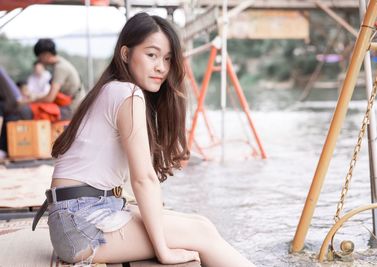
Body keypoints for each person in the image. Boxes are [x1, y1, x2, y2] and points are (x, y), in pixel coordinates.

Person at [32, 13, 255, 267]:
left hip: (77, 216)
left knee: (202, 224)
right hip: (81, 224)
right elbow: (143, 178)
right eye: (152, 55)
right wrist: (164, 251)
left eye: (168, 59)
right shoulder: (127, 92)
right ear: (126, 54)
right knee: (201, 234)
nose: (161, 66)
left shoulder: (110, 89)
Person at [33, 38, 85, 119]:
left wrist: (32, 100)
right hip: (69, 104)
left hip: (72, 108)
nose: (39, 60)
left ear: (46, 54)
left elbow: (50, 98)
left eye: (39, 57)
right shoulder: (60, 62)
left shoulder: (60, 68)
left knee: (37, 112)